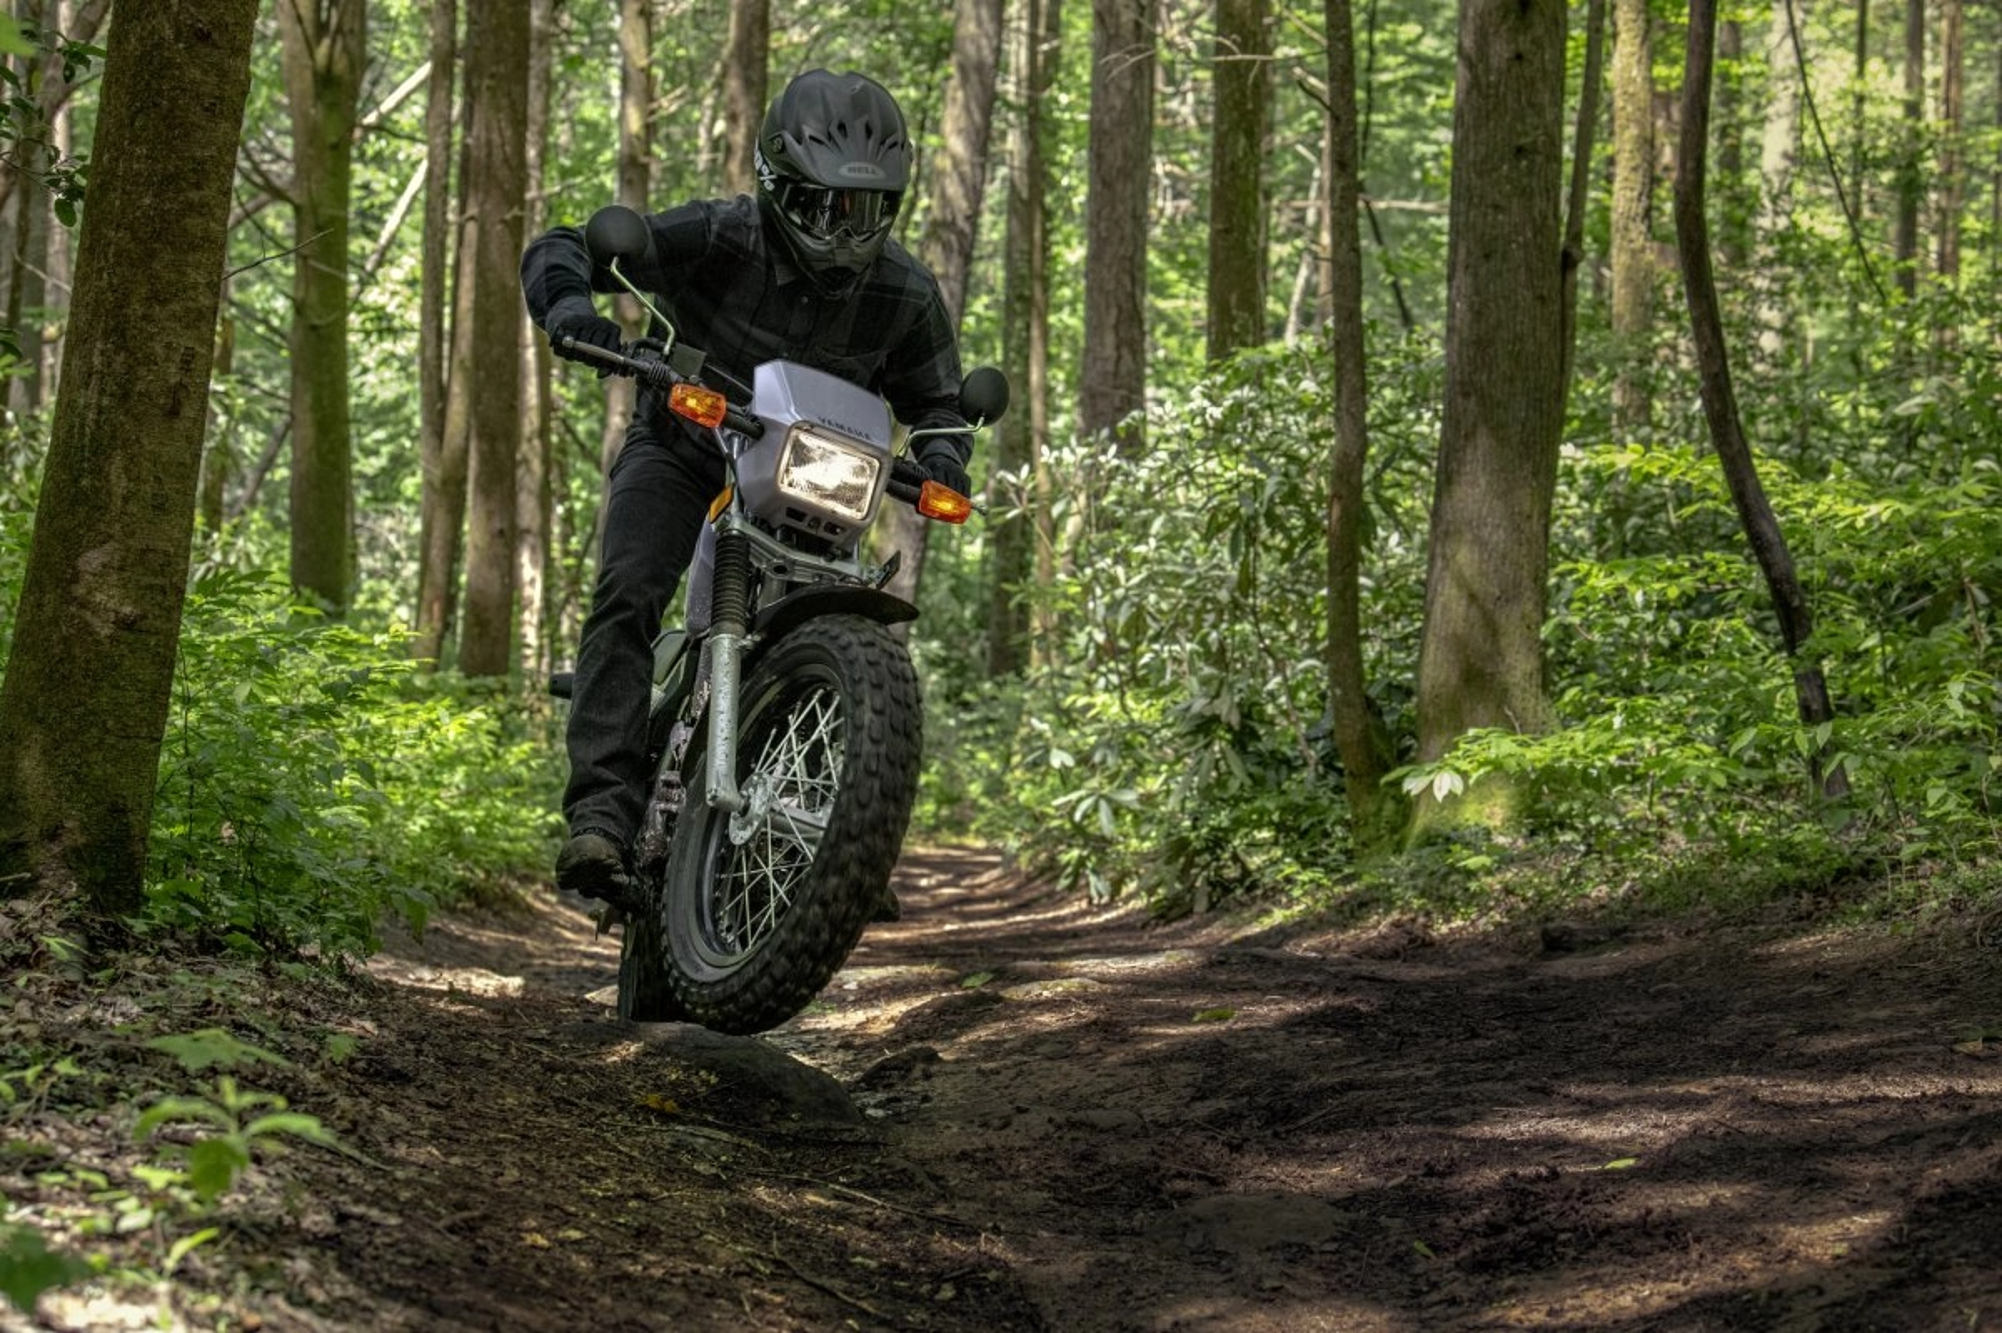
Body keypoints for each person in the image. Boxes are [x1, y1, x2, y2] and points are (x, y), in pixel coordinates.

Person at [520, 69, 973, 910]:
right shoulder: (722, 235)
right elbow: (568, 243)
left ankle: (841, 838)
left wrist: (945, 457)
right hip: (688, 442)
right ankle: (601, 816)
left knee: (852, 627)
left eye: (866, 212)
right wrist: (571, 312)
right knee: (627, 594)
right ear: (776, 185)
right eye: (823, 205)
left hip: (815, 481)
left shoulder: (906, 293)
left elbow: (940, 402)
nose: (845, 231)